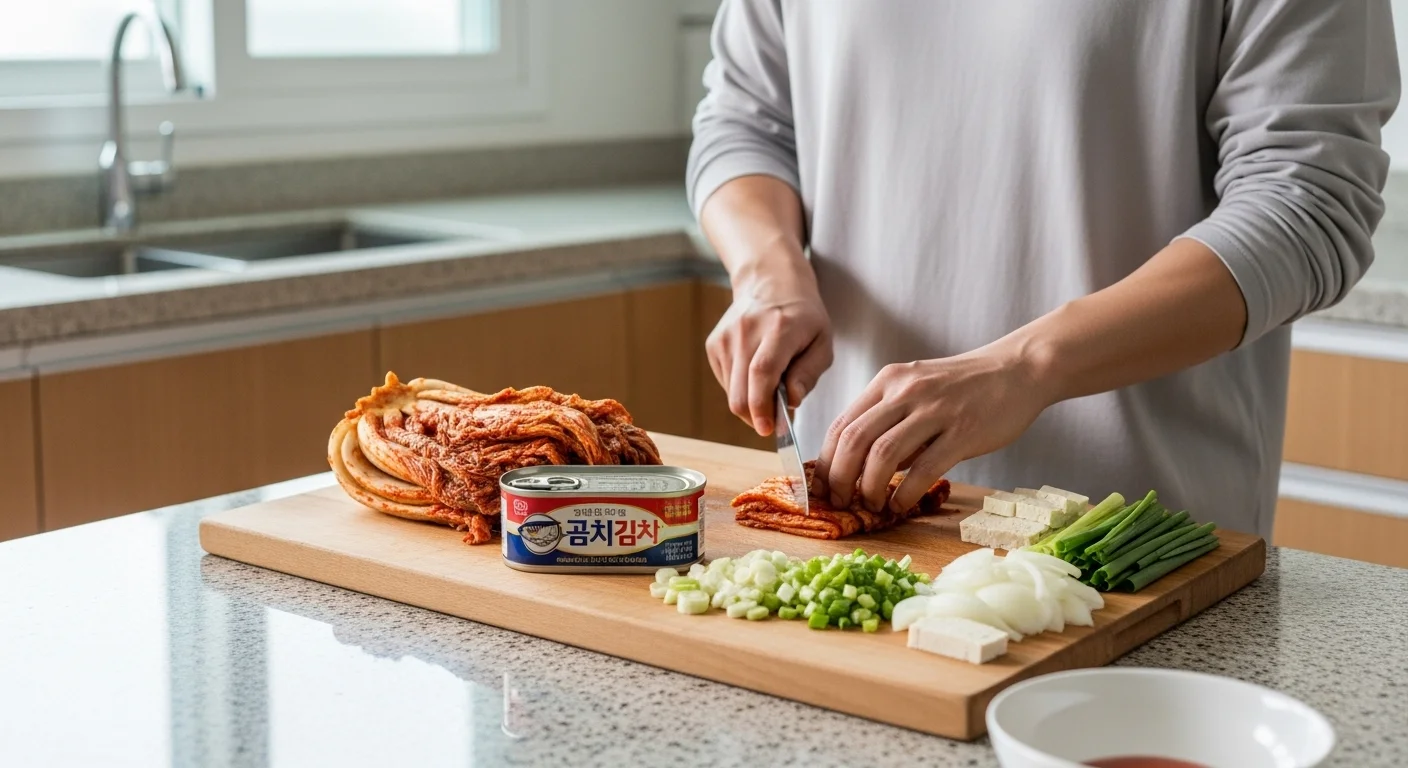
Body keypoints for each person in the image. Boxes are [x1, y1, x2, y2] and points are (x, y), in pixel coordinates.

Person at [687, 1, 1399, 537]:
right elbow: (746, 122)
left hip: (1131, 539)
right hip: (860, 520)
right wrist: (766, 268)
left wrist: (1028, 366)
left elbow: (1309, 201)